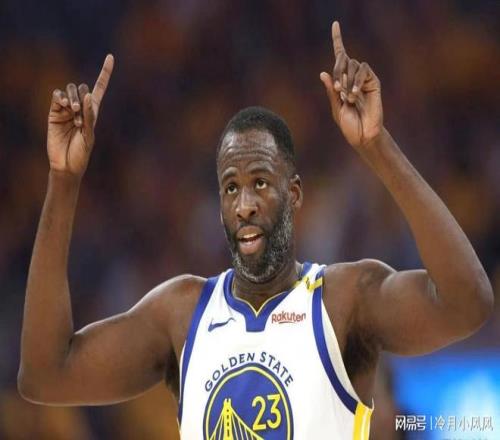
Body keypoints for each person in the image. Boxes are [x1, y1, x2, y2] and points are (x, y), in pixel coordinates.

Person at [18, 21, 493, 439]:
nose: (244, 205)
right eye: (230, 188)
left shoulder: (344, 301)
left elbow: (467, 302)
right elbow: (44, 374)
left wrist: (376, 145)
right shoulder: (181, 314)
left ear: (295, 194)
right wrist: (63, 180)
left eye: (260, 183)